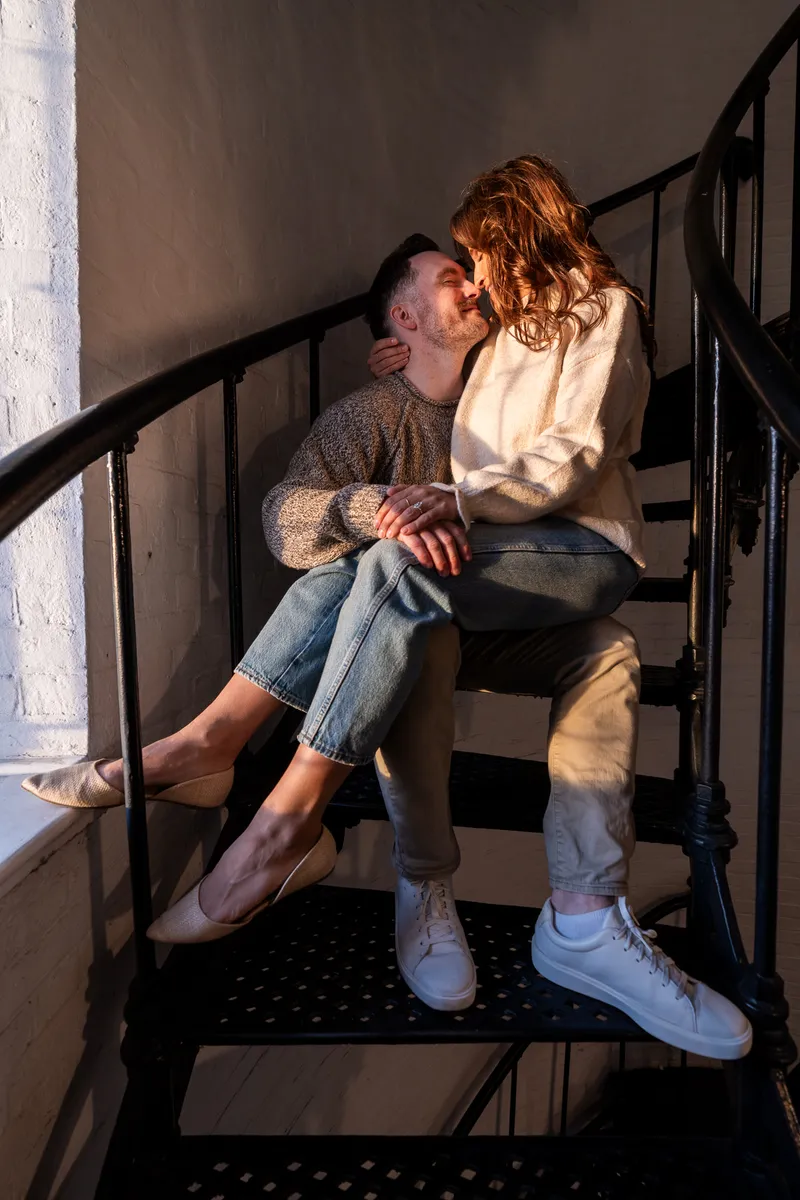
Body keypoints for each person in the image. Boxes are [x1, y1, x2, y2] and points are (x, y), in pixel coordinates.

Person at [144, 154, 750, 1059]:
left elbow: (579, 449)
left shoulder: (600, 309)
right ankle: (547, 912)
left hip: (583, 551)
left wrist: (458, 503)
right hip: (515, 586)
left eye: (479, 257)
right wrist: (398, 363)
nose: (476, 280)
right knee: (596, 652)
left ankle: (281, 821)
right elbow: (431, 382)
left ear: (517, 235)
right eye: (458, 271)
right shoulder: (494, 343)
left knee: (397, 570)